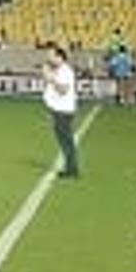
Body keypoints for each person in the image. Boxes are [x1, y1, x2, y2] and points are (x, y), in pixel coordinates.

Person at [41, 44, 80, 178]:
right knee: (64, 140)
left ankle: (71, 168)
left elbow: (63, 90)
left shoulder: (65, 71)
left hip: (63, 111)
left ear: (59, 57)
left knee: (66, 140)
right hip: (59, 110)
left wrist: (51, 79)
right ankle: (70, 167)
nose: (49, 58)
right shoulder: (59, 70)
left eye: (51, 56)